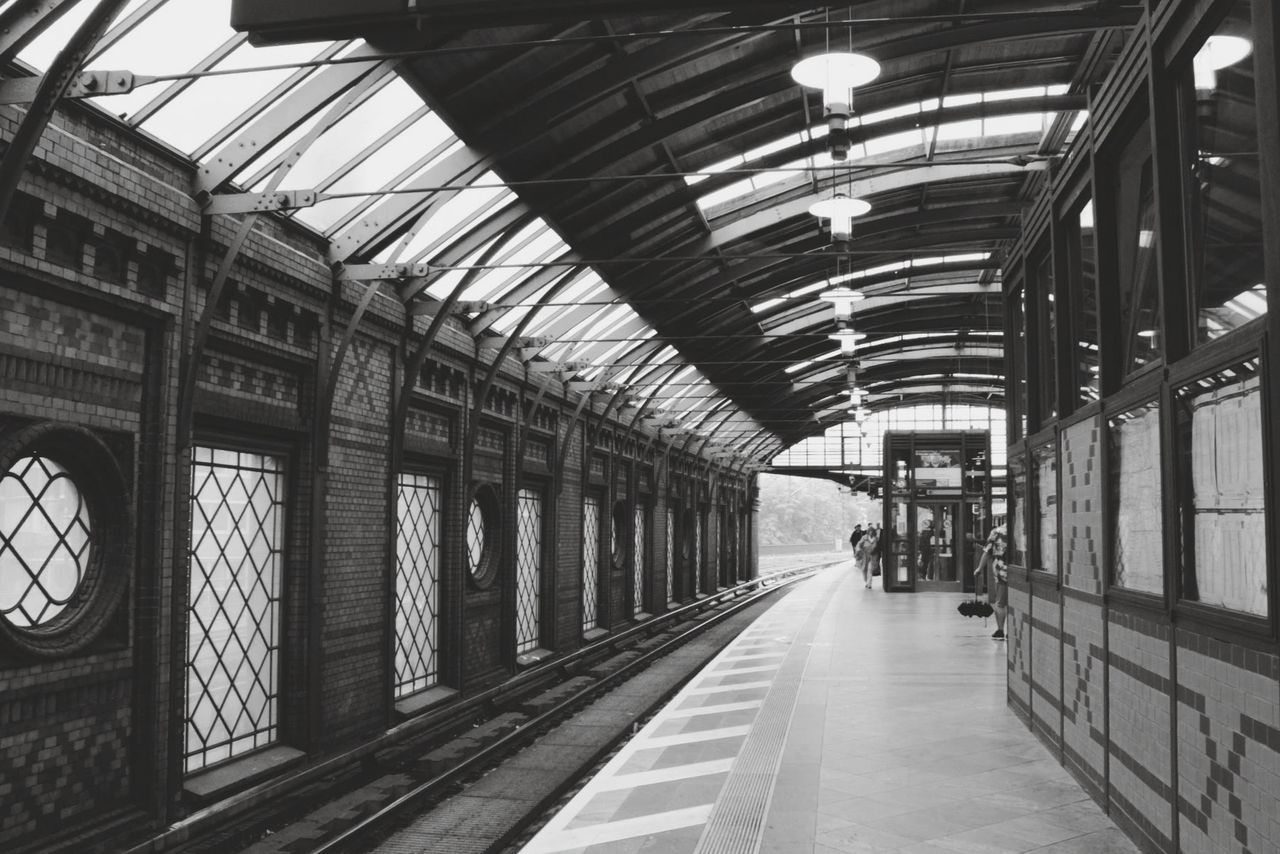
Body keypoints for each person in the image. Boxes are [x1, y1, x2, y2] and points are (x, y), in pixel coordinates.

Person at [975, 524, 1008, 639]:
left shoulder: (997, 531)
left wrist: (979, 568)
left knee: (1000, 603)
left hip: (1001, 572)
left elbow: (986, 552)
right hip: (1018, 571)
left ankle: (1000, 630)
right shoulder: (1021, 529)